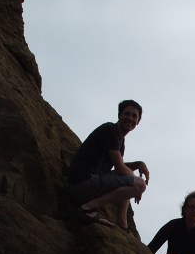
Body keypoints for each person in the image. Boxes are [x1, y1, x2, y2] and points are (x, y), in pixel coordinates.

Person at [64, 99, 149, 231]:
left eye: (134, 116)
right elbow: (120, 168)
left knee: (131, 180)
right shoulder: (109, 130)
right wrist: (138, 185)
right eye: (127, 114)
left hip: (90, 183)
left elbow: (120, 167)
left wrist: (138, 164)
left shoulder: (120, 141)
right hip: (81, 184)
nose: (130, 118)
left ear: (137, 122)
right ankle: (88, 208)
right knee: (138, 183)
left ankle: (122, 224)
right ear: (119, 115)